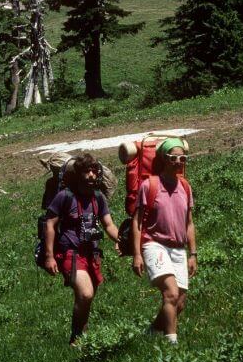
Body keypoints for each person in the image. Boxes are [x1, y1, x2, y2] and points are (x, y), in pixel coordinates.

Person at [41, 152, 120, 346]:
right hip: (70, 253)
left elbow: (108, 224)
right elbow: (49, 224)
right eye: (87, 171)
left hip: (91, 253)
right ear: (78, 174)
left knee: (86, 297)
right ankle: (76, 338)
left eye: (94, 170)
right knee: (85, 294)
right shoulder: (64, 197)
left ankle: (81, 337)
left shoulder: (99, 198)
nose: (92, 175)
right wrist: (49, 257)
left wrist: (120, 240)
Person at [131, 137, 197, 345]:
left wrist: (193, 253)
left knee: (179, 302)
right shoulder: (149, 185)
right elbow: (137, 222)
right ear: (163, 158)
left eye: (182, 158)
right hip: (154, 244)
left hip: (179, 248)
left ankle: (152, 332)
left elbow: (189, 223)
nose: (178, 162)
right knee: (171, 293)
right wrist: (137, 253)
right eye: (173, 157)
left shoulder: (185, 187)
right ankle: (172, 345)